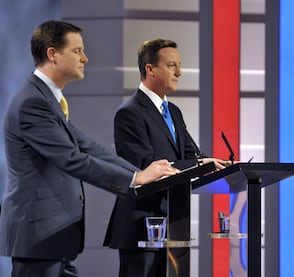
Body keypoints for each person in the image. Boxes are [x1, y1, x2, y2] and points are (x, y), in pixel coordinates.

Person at [0, 20, 178, 277]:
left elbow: (88, 147)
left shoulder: (47, 100)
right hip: (39, 238)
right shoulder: (33, 102)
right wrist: (135, 178)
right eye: (77, 51)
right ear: (52, 54)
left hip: (53, 238)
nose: (85, 57)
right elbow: (72, 159)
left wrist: (140, 175)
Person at [103, 38, 230, 277]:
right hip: (142, 225)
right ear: (150, 69)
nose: (179, 72)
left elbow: (192, 155)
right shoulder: (129, 113)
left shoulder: (173, 111)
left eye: (179, 65)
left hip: (174, 224)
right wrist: (198, 164)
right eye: (172, 66)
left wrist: (220, 165)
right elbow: (145, 166)